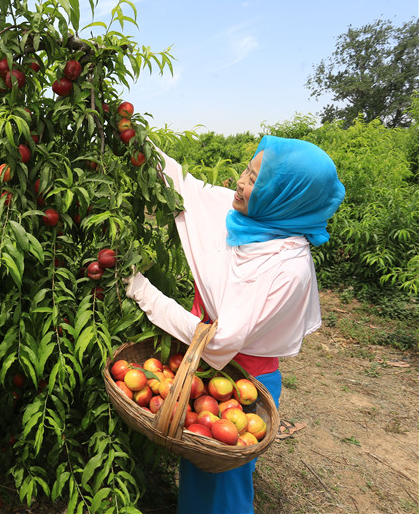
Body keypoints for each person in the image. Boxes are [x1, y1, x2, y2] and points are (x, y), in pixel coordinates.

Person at [124, 135, 345, 513]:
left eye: (257, 179)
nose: (242, 182)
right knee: (198, 461)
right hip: (202, 369)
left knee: (223, 480)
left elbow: (219, 341)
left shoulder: (286, 268)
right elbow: (187, 188)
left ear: (285, 195)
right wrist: (132, 137)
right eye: (247, 169)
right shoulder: (245, 218)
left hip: (244, 380)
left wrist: (144, 292)